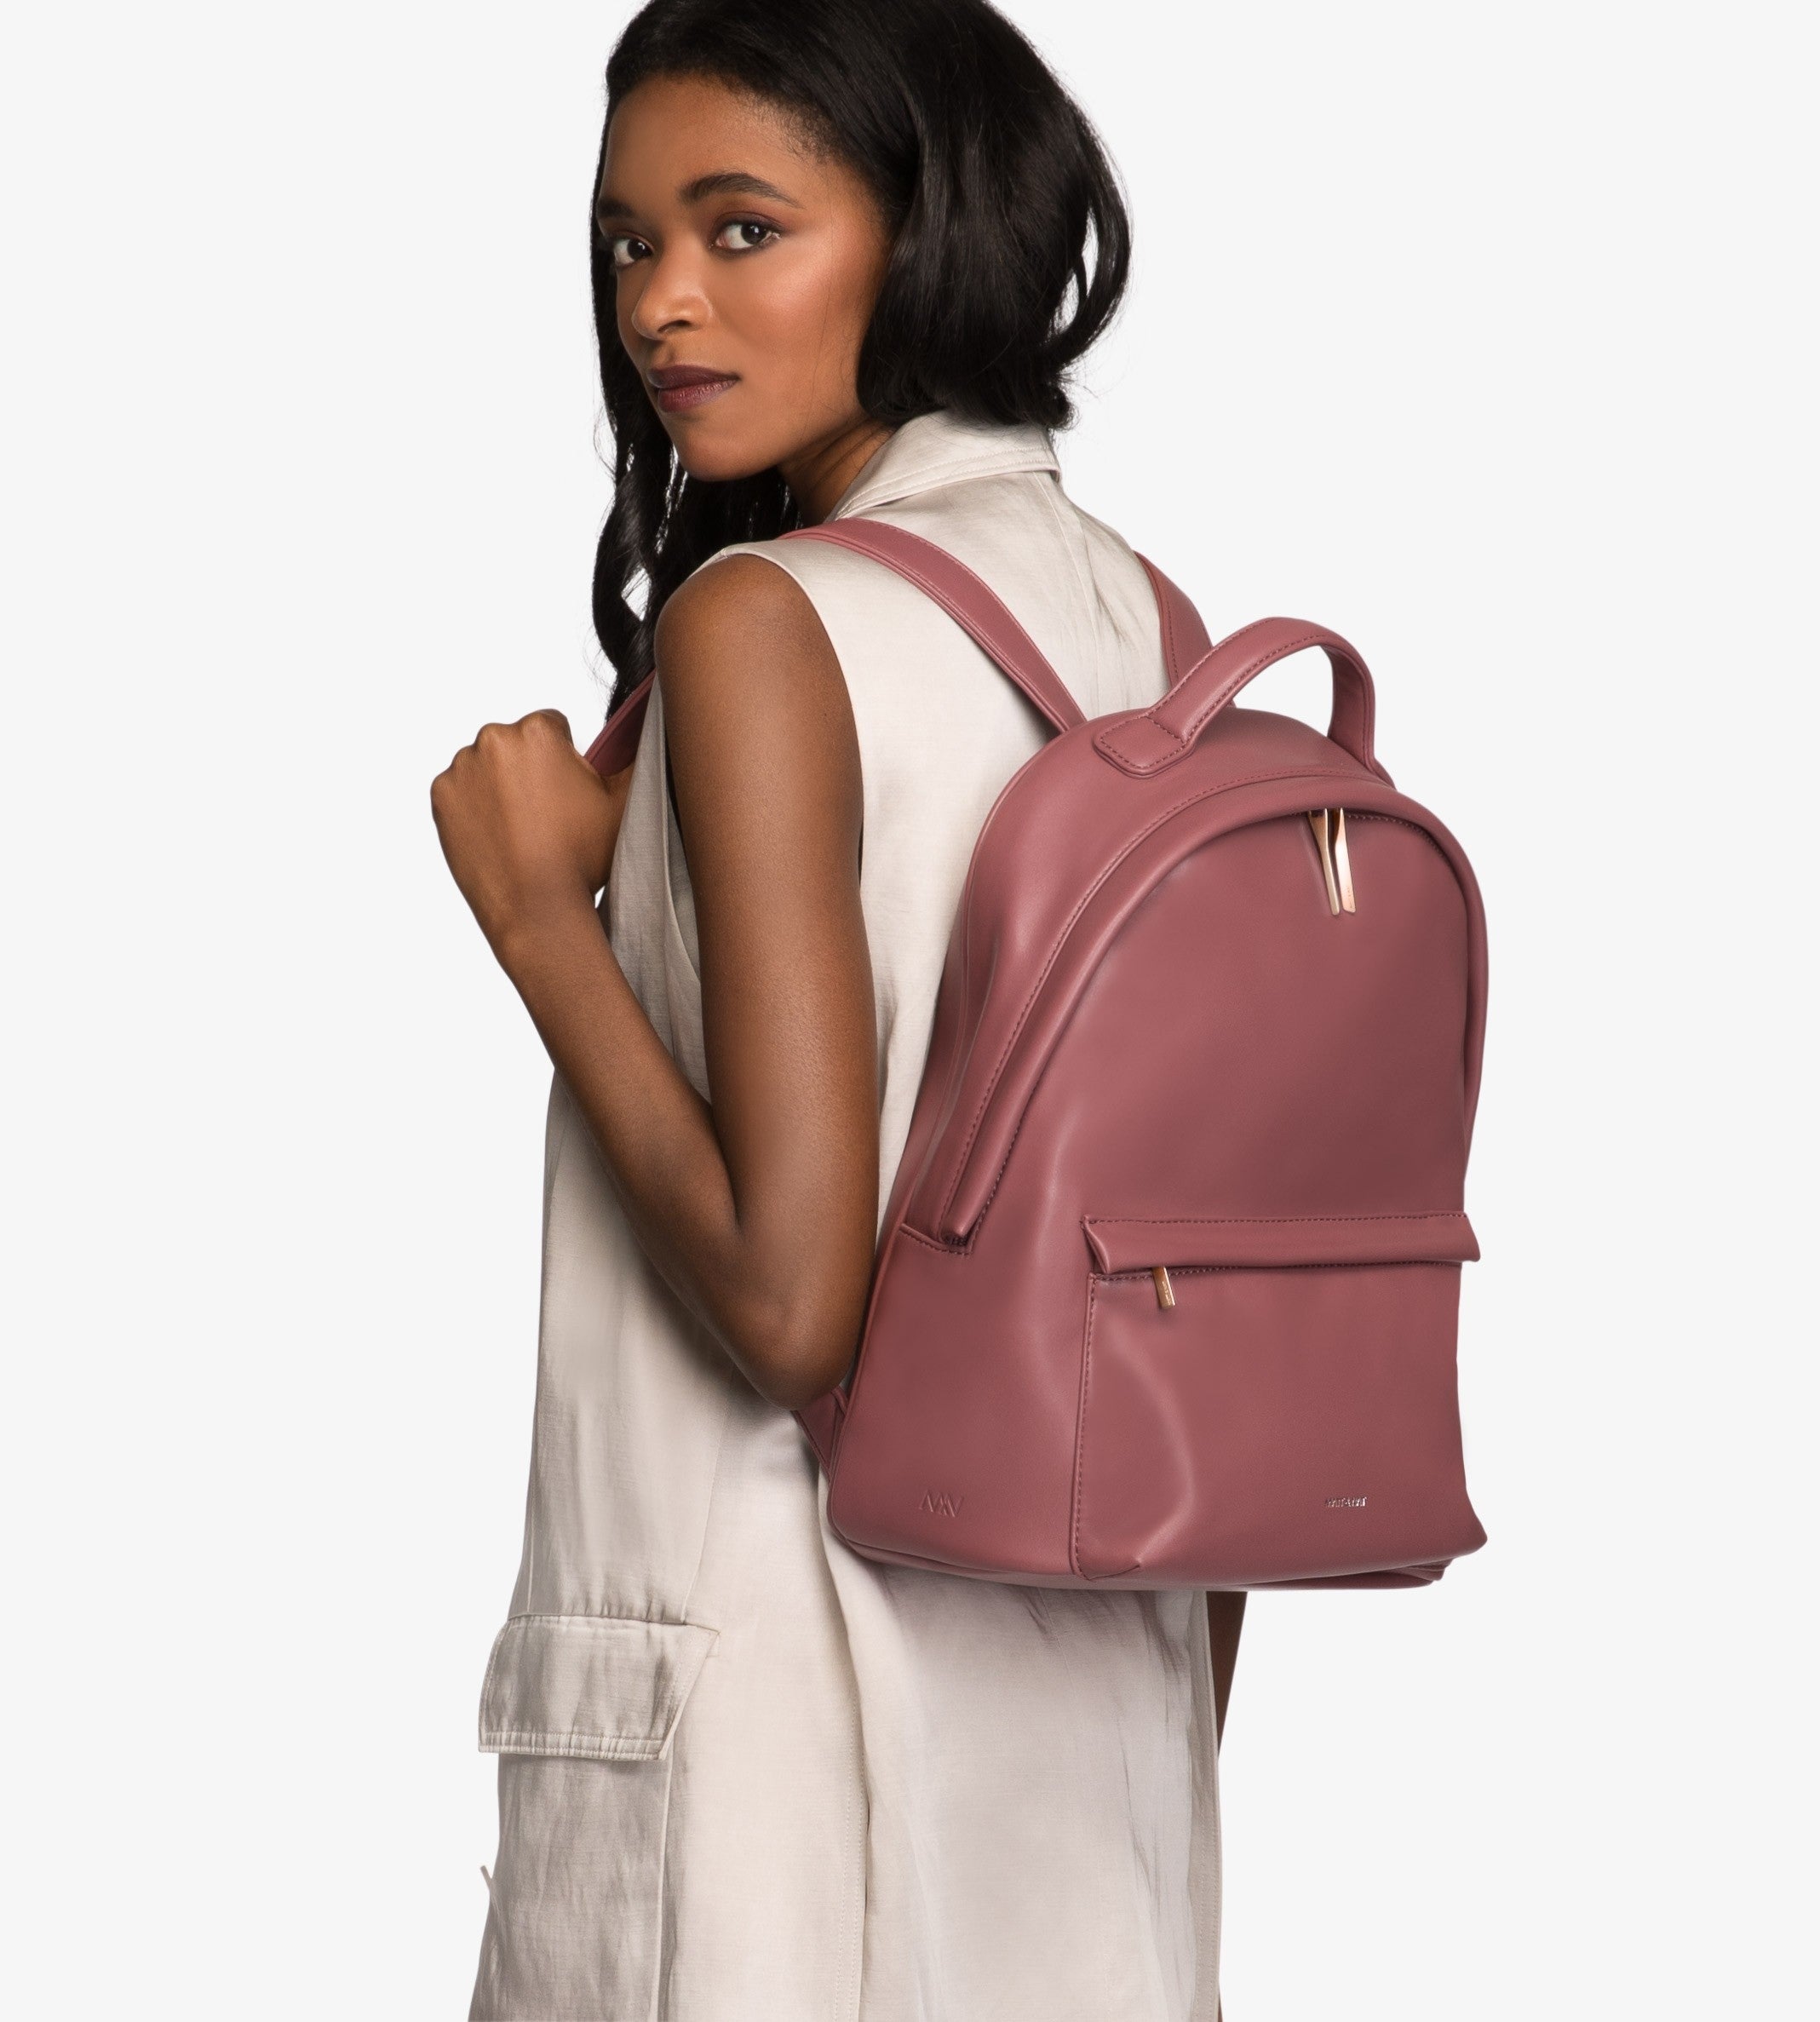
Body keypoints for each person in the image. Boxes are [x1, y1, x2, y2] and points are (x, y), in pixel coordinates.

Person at [432, 2, 1245, 2015]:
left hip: (772, 1754)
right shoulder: (1153, 630)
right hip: (1084, 1726)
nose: (661, 301)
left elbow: (796, 1304)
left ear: (929, 227)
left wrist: (539, 922)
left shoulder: (761, 622)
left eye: (742, 229)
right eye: (628, 242)